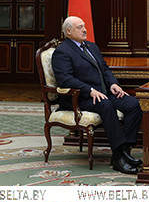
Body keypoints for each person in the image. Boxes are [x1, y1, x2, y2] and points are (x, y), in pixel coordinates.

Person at [51, 16, 143, 174]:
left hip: (103, 92)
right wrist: (89, 90)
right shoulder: (62, 52)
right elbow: (65, 79)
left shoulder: (91, 46)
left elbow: (105, 69)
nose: (84, 30)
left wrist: (113, 84)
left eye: (84, 26)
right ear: (69, 31)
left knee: (134, 105)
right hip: (80, 97)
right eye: (80, 27)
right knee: (106, 105)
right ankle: (119, 157)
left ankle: (124, 151)